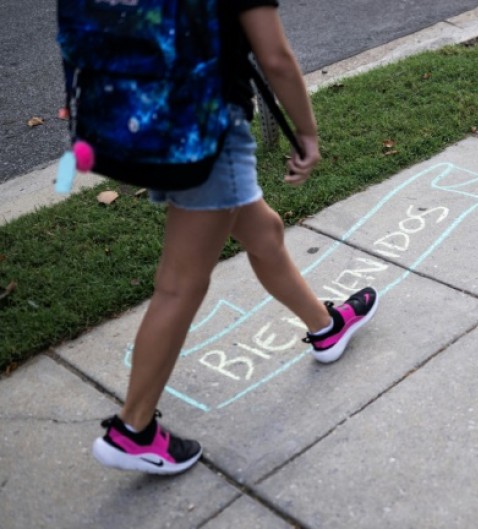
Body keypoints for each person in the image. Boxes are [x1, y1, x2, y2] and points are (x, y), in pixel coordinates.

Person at [89, 0, 378, 475]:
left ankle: (327, 327)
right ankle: (132, 430)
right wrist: (307, 133)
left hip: (159, 116)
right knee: (181, 284)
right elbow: (276, 57)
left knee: (263, 230)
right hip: (207, 126)